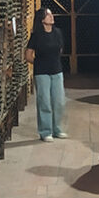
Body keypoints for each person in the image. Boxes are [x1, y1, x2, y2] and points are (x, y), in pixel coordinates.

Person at [25, 8, 67, 142]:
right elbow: (28, 55)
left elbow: (60, 50)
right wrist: (39, 63)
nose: (51, 16)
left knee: (59, 102)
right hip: (42, 73)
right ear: (42, 19)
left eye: (51, 14)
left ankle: (57, 129)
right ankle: (45, 131)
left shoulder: (58, 32)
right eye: (48, 15)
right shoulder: (36, 35)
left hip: (57, 71)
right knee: (44, 103)